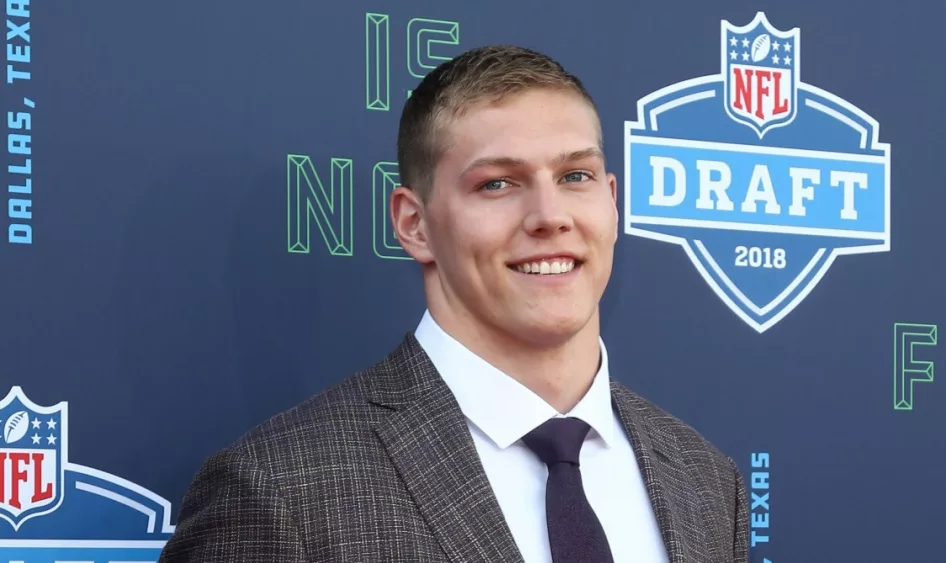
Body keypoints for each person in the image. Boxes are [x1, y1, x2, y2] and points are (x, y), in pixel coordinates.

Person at [157, 44, 749, 563]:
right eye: (497, 183)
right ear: (414, 225)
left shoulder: (706, 482)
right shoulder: (278, 489)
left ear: (612, 203)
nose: (551, 217)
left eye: (575, 176)